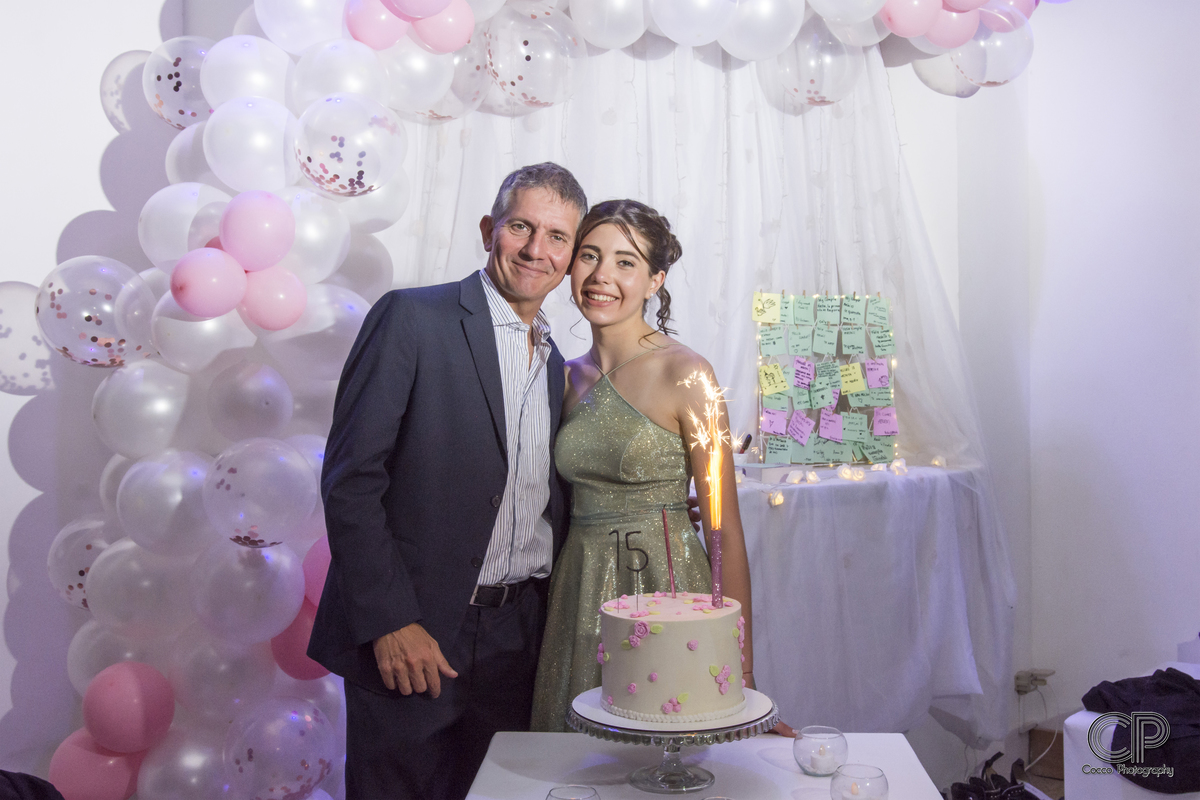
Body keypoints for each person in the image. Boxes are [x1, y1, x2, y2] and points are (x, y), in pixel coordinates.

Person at [308, 162, 586, 800]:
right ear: (490, 230)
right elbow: (351, 481)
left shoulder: (555, 364)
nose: (536, 250)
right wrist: (391, 622)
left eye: (557, 237)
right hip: (420, 627)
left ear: (571, 256)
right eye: (521, 227)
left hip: (522, 635)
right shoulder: (412, 318)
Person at [529, 199, 763, 732]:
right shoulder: (562, 375)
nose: (601, 276)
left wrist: (741, 663)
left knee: (669, 745)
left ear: (655, 280)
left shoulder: (687, 373)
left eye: (625, 262)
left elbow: (724, 529)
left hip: (666, 584)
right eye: (589, 255)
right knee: (579, 752)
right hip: (578, 585)